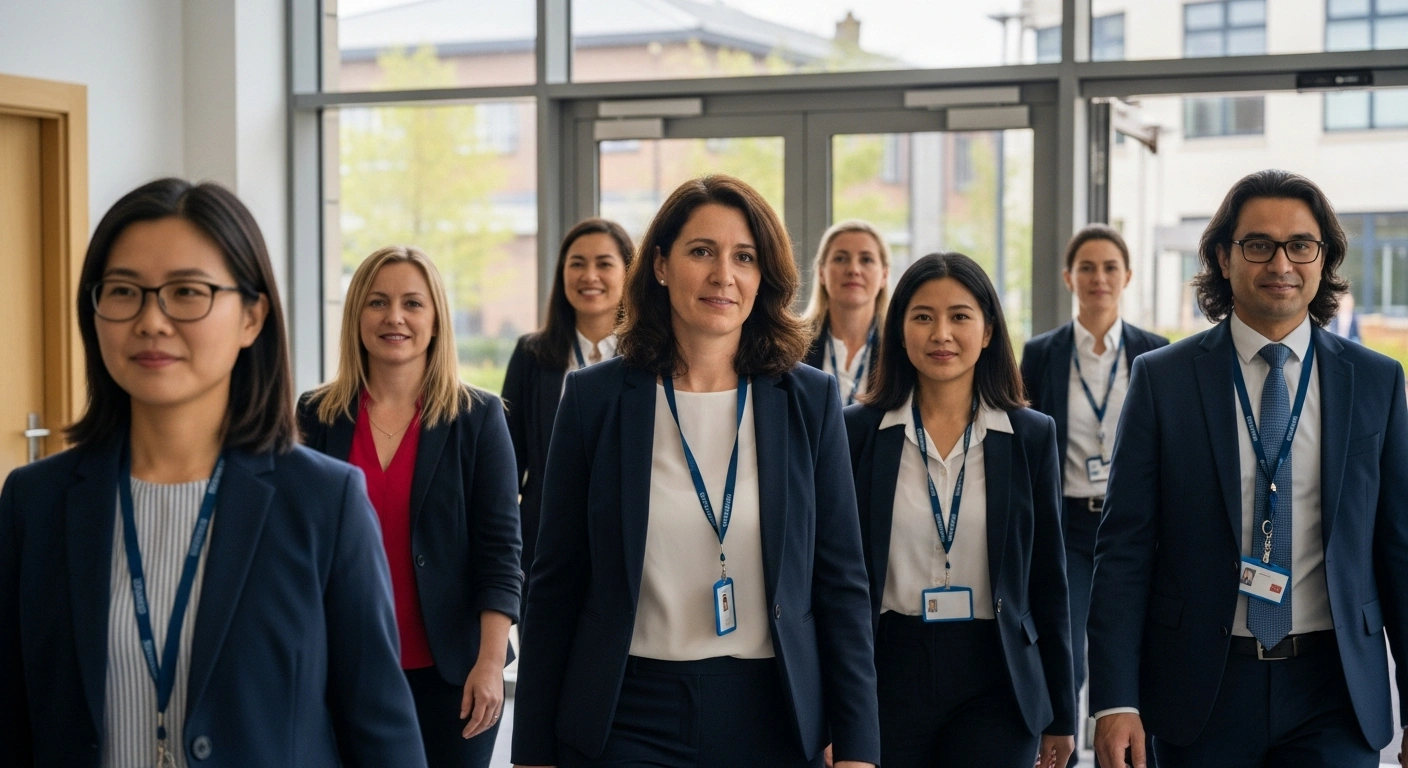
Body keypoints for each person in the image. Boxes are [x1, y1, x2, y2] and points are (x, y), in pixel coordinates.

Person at [0, 178, 426, 767]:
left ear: (252, 317)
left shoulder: (324, 502)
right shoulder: (35, 502)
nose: (152, 320)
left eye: (187, 291)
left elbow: (382, 736)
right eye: (124, 291)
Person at [510, 175, 880, 768]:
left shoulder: (809, 400)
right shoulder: (594, 399)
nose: (723, 276)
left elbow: (841, 583)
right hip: (629, 713)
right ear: (659, 264)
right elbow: (554, 584)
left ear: (764, 278)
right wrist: (530, 750)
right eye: (701, 251)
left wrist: (860, 746)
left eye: (744, 257)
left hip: (774, 712)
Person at [1088, 169, 1408, 768]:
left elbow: (1399, 550)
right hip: (1201, 687)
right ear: (1222, 256)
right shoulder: (1164, 379)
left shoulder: (1376, 382)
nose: (1280, 263)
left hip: (1335, 688)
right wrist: (1113, 700)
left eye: (1301, 246)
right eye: (1258, 245)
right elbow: (1125, 550)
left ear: (1324, 258)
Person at [844, 252, 1076, 768]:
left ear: (989, 330)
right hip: (887, 668)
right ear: (900, 330)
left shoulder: (1030, 436)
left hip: (995, 671)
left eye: (960, 316)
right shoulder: (855, 433)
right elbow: (834, 578)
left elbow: (1047, 581)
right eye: (923, 316)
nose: (941, 333)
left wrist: (1061, 711)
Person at [298, 245, 522, 768]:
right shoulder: (315, 416)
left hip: (453, 679)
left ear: (437, 318)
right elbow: (295, 549)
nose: (394, 317)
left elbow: (501, 553)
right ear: (356, 317)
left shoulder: (479, 418)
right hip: (341, 672)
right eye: (377, 302)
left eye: (412, 303)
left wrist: (491, 664)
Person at [1019, 224, 1168, 765]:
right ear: (1068, 277)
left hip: (1135, 523)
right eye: (1087, 267)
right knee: (1068, 647)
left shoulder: (1155, 354)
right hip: (1067, 523)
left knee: (1137, 643)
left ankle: (1140, 753)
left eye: (1109, 268)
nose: (1098, 278)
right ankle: (1065, 748)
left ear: (1126, 277)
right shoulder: (1041, 354)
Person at [501, 218, 633, 604]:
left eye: (604, 263)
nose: (589, 275)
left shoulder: (648, 357)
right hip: (544, 544)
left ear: (629, 272)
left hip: (625, 542)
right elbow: (509, 459)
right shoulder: (532, 354)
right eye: (577, 263)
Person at [803, 220, 891, 406]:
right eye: (840, 258)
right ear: (821, 273)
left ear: (884, 275)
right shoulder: (792, 346)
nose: (853, 269)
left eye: (866, 259)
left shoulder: (900, 349)